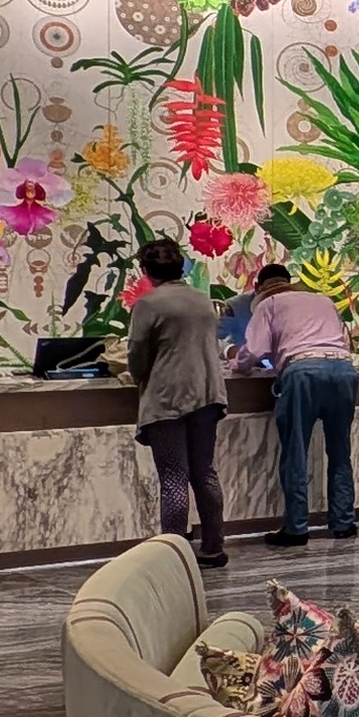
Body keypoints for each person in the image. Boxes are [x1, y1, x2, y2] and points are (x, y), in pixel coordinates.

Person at [126, 237, 229, 568]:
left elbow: (137, 357)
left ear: (145, 270)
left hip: (168, 398)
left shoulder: (149, 305)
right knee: (204, 473)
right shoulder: (202, 301)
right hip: (208, 395)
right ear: (181, 265)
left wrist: (138, 374)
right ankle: (213, 547)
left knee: (173, 476)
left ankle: (174, 556)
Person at [239, 263, 358, 548]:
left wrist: (235, 359)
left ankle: (296, 528)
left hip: (303, 372)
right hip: (343, 370)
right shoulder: (323, 300)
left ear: (259, 288)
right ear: (289, 281)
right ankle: (343, 522)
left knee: (296, 451)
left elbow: (254, 352)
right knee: (340, 450)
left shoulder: (268, 303)